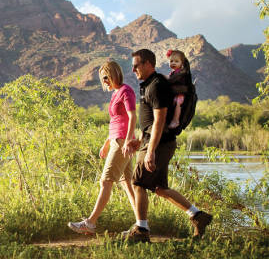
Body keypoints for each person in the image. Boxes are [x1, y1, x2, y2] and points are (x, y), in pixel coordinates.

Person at [125, 49, 212, 242]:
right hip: (154, 141)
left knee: (138, 183)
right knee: (160, 188)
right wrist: (140, 140)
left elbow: (159, 120)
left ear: (148, 64)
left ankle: (141, 230)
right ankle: (198, 216)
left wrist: (150, 151)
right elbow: (148, 122)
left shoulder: (157, 85)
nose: (133, 69)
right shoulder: (148, 84)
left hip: (159, 143)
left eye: (136, 65)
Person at [68, 61, 138, 234]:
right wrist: (106, 143)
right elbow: (116, 121)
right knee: (127, 184)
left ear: (114, 74)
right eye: (102, 78)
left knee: (105, 181)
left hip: (122, 141)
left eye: (106, 77)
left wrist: (128, 139)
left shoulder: (126, 91)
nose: (104, 81)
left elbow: (132, 116)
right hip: (116, 139)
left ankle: (90, 223)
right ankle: (142, 224)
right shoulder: (115, 94)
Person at [165, 49, 192, 129]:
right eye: (171, 61)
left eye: (176, 61)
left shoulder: (181, 73)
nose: (173, 63)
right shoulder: (173, 73)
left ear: (182, 63)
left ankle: (176, 120)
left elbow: (173, 80)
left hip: (180, 94)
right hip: (174, 94)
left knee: (177, 104)